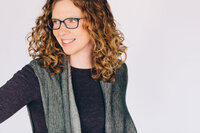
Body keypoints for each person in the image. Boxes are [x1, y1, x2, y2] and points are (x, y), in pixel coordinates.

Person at [0, 0, 137, 132]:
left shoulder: (115, 71)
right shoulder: (37, 75)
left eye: (71, 20)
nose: (61, 31)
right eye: (56, 22)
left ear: (95, 21)